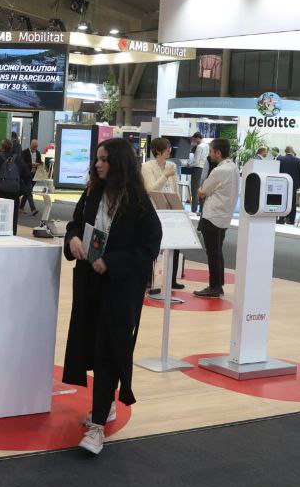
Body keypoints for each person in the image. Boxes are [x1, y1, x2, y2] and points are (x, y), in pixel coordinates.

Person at [62, 138, 162, 456]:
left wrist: (113, 262)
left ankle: (97, 426)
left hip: (119, 289)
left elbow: (150, 245)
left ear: (118, 163)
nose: (98, 164)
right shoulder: (93, 192)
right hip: (89, 284)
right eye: (97, 159)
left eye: (104, 159)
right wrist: (73, 239)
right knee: (92, 346)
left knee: (109, 350)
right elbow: (74, 224)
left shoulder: (137, 201)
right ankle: (106, 405)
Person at [193, 138, 238, 298]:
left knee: (213, 253)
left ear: (218, 153)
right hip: (223, 216)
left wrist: (200, 190)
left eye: (211, 151)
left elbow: (202, 191)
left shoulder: (219, 171)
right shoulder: (233, 167)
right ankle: (218, 285)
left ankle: (214, 287)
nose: (210, 154)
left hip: (212, 216)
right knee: (217, 252)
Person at [141, 137, 184, 294]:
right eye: (167, 148)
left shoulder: (172, 165)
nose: (169, 151)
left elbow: (175, 188)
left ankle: (171, 280)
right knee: (152, 245)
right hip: (153, 210)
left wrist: (178, 207)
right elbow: (150, 189)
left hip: (170, 210)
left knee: (175, 244)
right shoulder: (147, 166)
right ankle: (148, 280)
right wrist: (165, 175)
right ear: (158, 151)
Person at [0, 138, 23, 229]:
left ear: (2, 147)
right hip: (14, 192)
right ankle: (12, 232)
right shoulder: (18, 158)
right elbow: (26, 174)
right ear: (11, 147)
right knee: (13, 215)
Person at [276, 146, 300, 225]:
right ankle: (291, 220)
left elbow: (277, 171)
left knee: (282, 200)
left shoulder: (280, 159)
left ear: (285, 151)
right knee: (293, 202)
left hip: (282, 183)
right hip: (293, 184)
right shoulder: (298, 160)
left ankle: (281, 219)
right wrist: (299, 185)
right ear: (292, 151)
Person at [20, 138, 44, 217]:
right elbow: (22, 164)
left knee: (27, 192)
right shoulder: (24, 152)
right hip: (26, 175)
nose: (35, 148)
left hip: (34, 175)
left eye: (36, 146)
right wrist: (32, 164)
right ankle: (33, 209)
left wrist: (41, 164)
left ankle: (21, 207)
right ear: (31, 145)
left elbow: (39, 161)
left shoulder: (38, 153)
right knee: (29, 191)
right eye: (34, 146)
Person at [187, 132, 209, 214]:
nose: (194, 141)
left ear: (197, 138)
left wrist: (189, 165)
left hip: (197, 169)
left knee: (194, 190)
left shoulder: (199, 147)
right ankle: (201, 210)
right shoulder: (207, 146)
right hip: (204, 169)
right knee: (202, 190)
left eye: (194, 139)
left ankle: (194, 210)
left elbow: (196, 161)